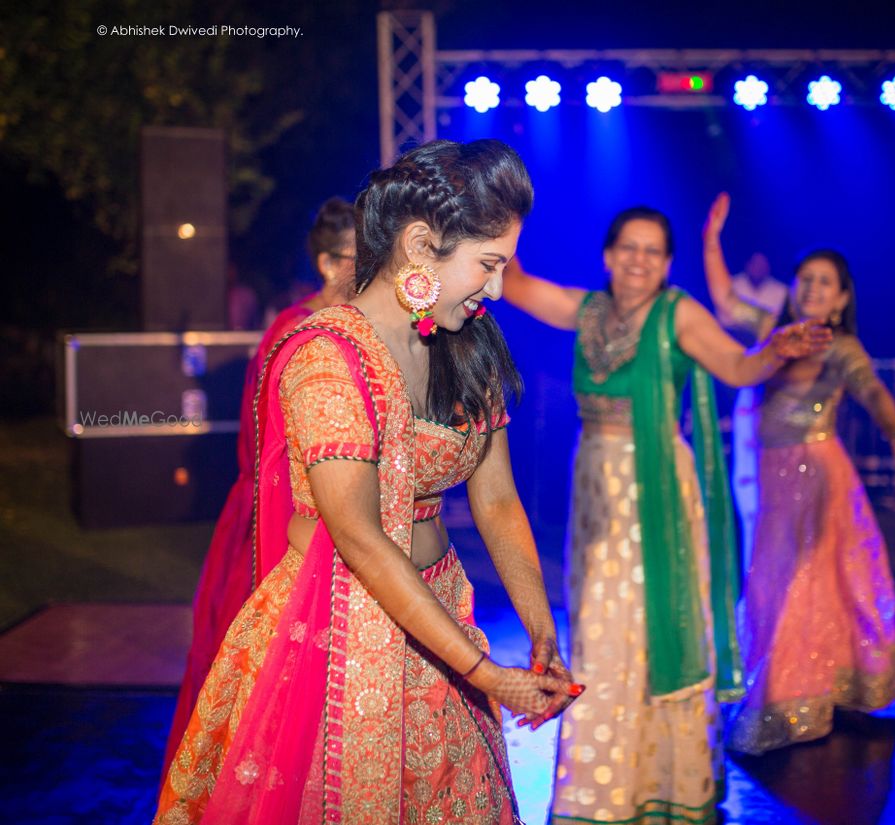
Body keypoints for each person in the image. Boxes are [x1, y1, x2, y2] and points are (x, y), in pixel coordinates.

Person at [154, 139, 580, 824]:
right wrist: (483, 672)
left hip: (440, 611)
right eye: (489, 265)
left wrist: (540, 628)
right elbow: (357, 534)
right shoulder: (326, 356)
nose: (497, 290)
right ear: (420, 243)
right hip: (335, 631)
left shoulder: (469, 345)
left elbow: (497, 499)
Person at [502, 208, 831, 825]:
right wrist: (504, 214)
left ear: (668, 264)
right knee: (600, 630)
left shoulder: (677, 313)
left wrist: (775, 349)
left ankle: (668, 783)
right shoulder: (588, 310)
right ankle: (602, 790)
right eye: (628, 247)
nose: (639, 260)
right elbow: (515, 285)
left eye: (653, 252)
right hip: (596, 488)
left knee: (654, 630)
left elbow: (736, 366)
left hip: (659, 496)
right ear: (607, 255)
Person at [701, 192, 895, 756]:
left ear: (841, 298)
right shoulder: (772, 328)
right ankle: (784, 677)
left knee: (812, 578)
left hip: (820, 475)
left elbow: (872, 392)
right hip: (766, 475)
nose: (811, 288)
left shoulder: (843, 347)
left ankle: (790, 694)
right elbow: (726, 300)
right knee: (776, 575)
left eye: (824, 282)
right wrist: (711, 240)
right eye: (805, 278)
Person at [159, 196, 358, 783]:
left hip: (318, 517)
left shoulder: (348, 327)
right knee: (264, 686)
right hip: (273, 519)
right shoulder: (297, 332)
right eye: (357, 256)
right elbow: (279, 451)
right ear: (326, 263)